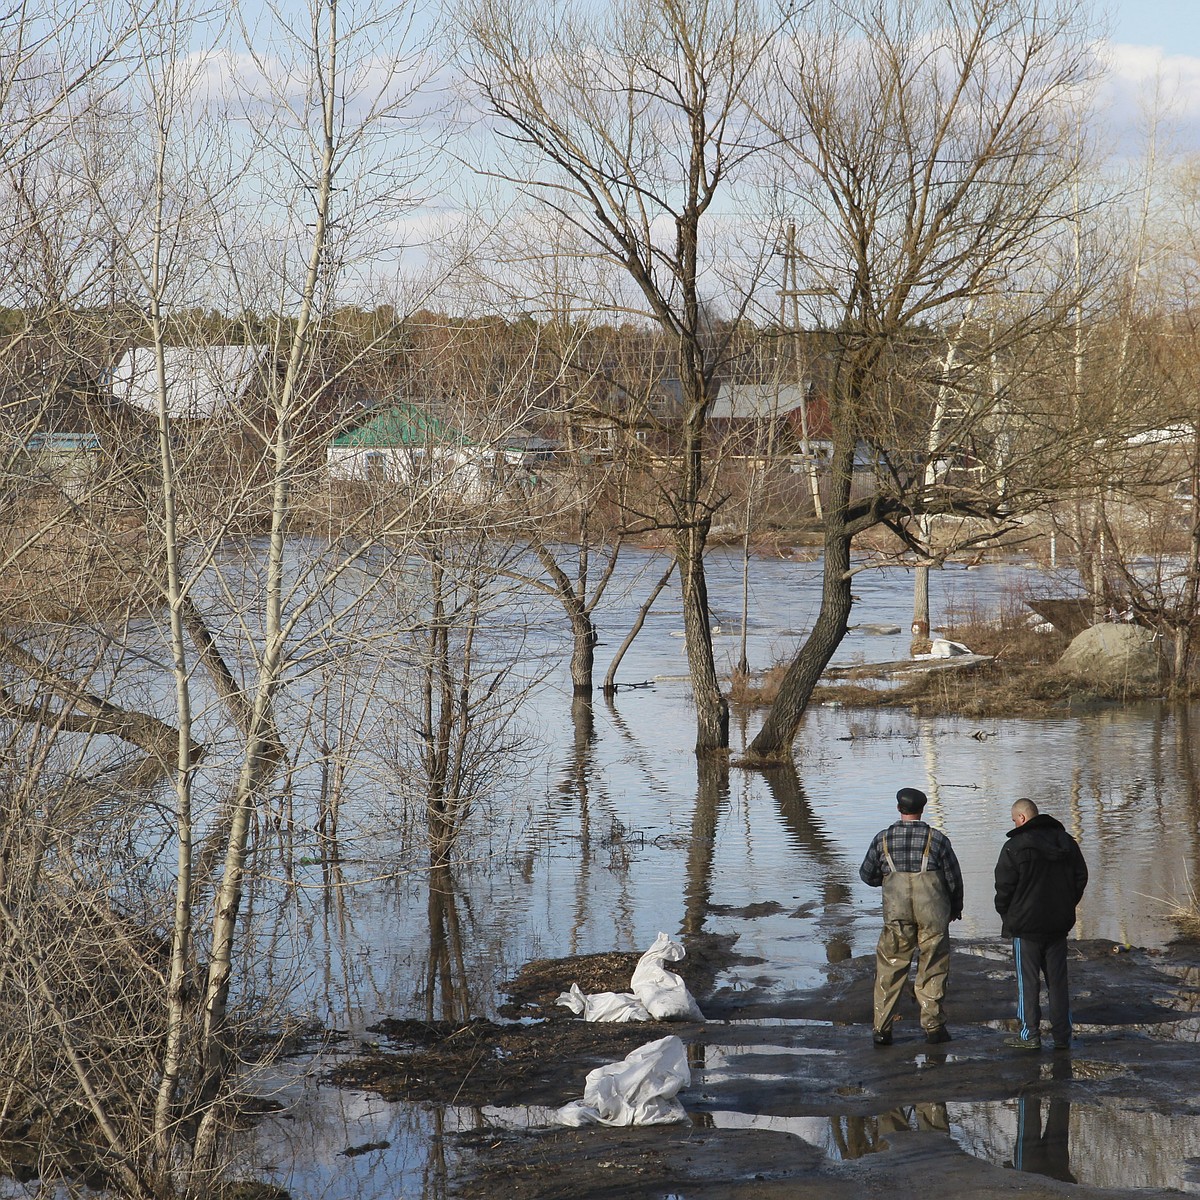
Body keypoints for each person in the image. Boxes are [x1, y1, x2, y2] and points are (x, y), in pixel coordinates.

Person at [859, 787, 963, 1046]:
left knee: (890, 968)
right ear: (922, 809)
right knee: (933, 967)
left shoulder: (883, 839)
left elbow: (867, 875)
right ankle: (933, 1028)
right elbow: (953, 879)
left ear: (898, 808)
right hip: (933, 915)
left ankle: (882, 1030)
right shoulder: (937, 839)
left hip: (896, 915)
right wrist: (956, 907)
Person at [994, 797, 1088, 1051]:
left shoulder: (1014, 847)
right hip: (1058, 925)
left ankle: (1029, 1035)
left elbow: (1003, 887)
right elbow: (1081, 877)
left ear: (1022, 818)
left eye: (1014, 819)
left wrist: (1007, 913)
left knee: (1028, 983)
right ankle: (1062, 1037)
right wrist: (1067, 903)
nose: (1013, 823)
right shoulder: (1066, 842)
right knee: (1058, 983)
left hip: (1026, 928)